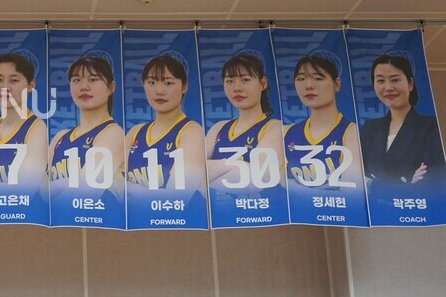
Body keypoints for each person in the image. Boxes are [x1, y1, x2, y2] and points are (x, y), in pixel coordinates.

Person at [359, 54, 445, 191]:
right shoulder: (370, 128)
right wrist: (408, 185)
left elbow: (433, 182)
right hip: (376, 210)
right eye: (380, 81)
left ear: (410, 84)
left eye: (395, 80)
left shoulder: (430, 126)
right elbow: (358, 180)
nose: (388, 87)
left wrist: (372, 183)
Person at [124, 55, 206, 194]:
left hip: (178, 216)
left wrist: (130, 190)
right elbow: (113, 183)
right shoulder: (135, 132)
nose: (159, 91)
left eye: (168, 83)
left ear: (184, 87)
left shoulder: (191, 131)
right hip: (139, 215)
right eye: (151, 82)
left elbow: (177, 197)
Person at [205, 53, 284, 189]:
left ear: (263, 83)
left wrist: (205, 181)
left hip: (260, 208)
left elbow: (258, 179)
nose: (237, 88)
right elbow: (190, 171)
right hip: (219, 208)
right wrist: (236, 165)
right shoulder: (219, 128)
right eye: (230, 81)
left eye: (245, 80)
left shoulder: (275, 128)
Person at [0, 53, 48, 197]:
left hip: (24, 217)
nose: (5, 87)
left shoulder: (37, 128)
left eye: (13, 80)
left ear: (30, 85)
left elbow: (24, 191)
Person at [283, 55, 363, 189]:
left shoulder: (351, 132)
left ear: (336, 84)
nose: (308, 86)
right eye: (301, 79)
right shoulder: (286, 132)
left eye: (318, 78)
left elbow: (353, 193)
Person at [48, 56, 124, 195]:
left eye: (93, 79)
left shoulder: (114, 134)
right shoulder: (60, 138)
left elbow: (86, 191)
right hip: (62, 216)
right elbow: (39, 192)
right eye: (76, 80)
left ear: (111, 87)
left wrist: (55, 187)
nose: (83, 87)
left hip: (98, 216)